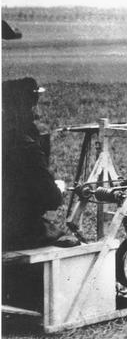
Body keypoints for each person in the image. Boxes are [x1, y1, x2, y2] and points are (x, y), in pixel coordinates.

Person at [2, 78, 68, 250]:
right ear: (28, 107)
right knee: (66, 241)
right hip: (16, 232)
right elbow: (50, 198)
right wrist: (58, 190)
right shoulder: (26, 147)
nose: (37, 112)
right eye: (34, 103)